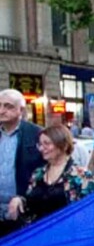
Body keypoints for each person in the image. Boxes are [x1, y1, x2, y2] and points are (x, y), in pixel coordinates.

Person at [6, 126, 94, 226]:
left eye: (47, 144)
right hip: (38, 234)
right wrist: (19, 200)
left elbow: (89, 214)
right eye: (39, 144)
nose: (41, 148)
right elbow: (29, 202)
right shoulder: (38, 173)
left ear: (64, 145)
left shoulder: (81, 175)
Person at [0, 89, 45, 236]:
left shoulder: (37, 134)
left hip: (23, 211)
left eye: (8, 106)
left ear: (21, 110)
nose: (2, 111)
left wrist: (24, 198)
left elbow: (47, 171)